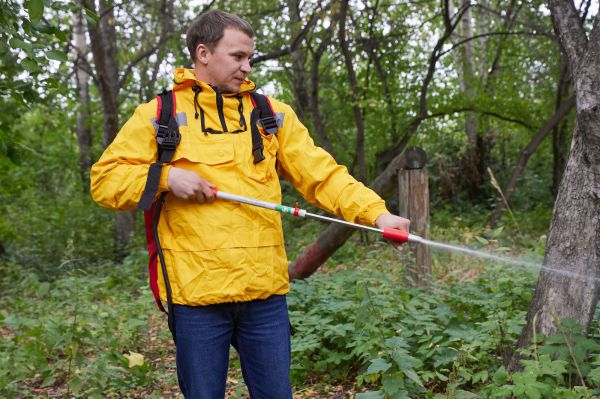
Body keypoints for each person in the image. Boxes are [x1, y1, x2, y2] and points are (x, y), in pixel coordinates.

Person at [90, 9, 410, 399]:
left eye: (249, 58)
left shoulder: (270, 114)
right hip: (197, 300)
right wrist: (166, 178)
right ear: (203, 53)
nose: (247, 66)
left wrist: (378, 214)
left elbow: (324, 176)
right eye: (238, 56)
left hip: (265, 296)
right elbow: (104, 181)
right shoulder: (159, 116)